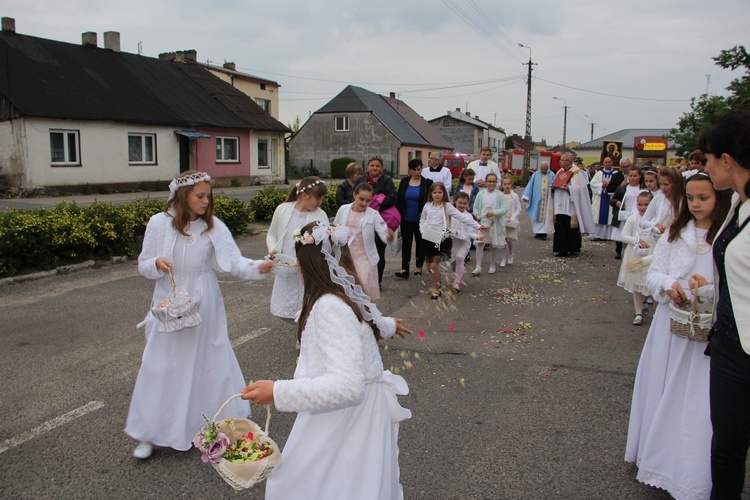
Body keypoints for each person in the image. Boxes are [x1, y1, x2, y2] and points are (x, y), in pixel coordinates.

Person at [240, 221, 412, 500]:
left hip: (345, 415)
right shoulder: (343, 295)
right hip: (356, 411)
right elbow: (369, 320)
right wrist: (389, 325)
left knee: (316, 481)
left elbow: (347, 387)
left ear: (301, 263)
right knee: (345, 482)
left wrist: (277, 391)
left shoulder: (330, 306)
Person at [125, 171, 274, 459]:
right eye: (200, 196)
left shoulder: (213, 226)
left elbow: (233, 262)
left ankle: (215, 427)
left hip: (205, 304)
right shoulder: (159, 223)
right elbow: (143, 264)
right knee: (162, 364)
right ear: (183, 197)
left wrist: (258, 267)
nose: (206, 201)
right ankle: (150, 433)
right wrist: (156, 262)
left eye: (209, 196)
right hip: (170, 299)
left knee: (208, 362)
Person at [625, 173, 730, 499]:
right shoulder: (675, 232)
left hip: (706, 324)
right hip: (673, 323)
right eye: (692, 198)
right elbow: (655, 270)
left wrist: (707, 288)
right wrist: (667, 287)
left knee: (697, 396)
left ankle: (691, 465)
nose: (697, 204)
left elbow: (731, 280)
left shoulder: (725, 235)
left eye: (705, 198)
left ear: (719, 199)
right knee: (663, 383)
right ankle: (657, 452)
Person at [699, 109, 750, 498]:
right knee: (726, 447)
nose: (706, 167)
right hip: (729, 344)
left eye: (709, 159)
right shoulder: (736, 204)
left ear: (727, 161)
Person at [267, 177, 328, 325]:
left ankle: (304, 336)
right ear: (304, 195)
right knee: (285, 308)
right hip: (287, 267)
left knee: (309, 306)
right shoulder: (283, 209)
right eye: (317, 198)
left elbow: (325, 243)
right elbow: (272, 234)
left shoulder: (320, 215)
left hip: (308, 269)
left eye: (322, 198)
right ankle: (301, 331)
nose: (320, 202)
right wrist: (273, 249)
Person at [420, 182, 480, 299]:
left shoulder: (447, 206)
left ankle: (436, 289)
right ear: (431, 194)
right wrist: (422, 230)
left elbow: (462, 217)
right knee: (428, 267)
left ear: (444, 194)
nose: (437, 195)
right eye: (434, 192)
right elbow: (422, 219)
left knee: (434, 265)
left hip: (442, 239)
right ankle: (438, 282)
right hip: (428, 238)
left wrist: (478, 226)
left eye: (440, 192)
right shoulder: (427, 206)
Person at [334, 183, 391, 301]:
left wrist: (389, 236)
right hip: (345, 256)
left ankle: (365, 314)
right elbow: (334, 229)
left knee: (362, 286)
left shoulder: (374, 214)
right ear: (354, 195)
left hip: (365, 257)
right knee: (345, 288)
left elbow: (383, 231)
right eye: (361, 199)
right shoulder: (343, 209)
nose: (364, 203)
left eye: (368, 200)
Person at [355, 155, 397, 287]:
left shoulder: (387, 180)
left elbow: (392, 197)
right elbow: (354, 194)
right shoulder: (361, 179)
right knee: (363, 251)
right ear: (368, 166)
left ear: (381, 168)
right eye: (372, 165)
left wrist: (376, 207)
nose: (375, 168)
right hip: (362, 219)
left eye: (377, 166)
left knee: (379, 251)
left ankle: (377, 281)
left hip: (380, 218)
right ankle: (363, 279)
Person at [616, 190, 654, 325]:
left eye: (646, 205)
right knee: (637, 283)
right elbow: (624, 236)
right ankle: (638, 312)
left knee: (649, 283)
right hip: (635, 254)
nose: (643, 208)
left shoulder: (656, 220)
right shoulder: (633, 218)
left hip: (651, 255)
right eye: (640, 204)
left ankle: (649, 306)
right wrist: (636, 241)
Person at [395, 159, 433, 279]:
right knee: (406, 243)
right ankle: (404, 268)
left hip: (421, 219)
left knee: (420, 243)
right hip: (406, 217)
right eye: (414, 169)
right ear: (409, 170)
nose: (417, 172)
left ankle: (418, 266)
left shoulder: (427, 182)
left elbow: (432, 199)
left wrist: (426, 211)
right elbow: (399, 197)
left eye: (418, 169)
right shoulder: (404, 181)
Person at [551, 153, 595, 257]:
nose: (560, 162)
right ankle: (561, 249)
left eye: (562, 160)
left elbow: (582, 189)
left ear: (568, 162)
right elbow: (555, 183)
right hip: (559, 204)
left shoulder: (578, 173)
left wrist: (569, 189)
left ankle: (573, 248)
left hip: (571, 205)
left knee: (571, 227)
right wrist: (553, 187)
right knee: (560, 225)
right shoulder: (560, 171)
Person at [471, 173, 508, 275]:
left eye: (494, 181)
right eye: (489, 181)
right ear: (486, 182)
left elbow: (504, 208)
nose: (491, 183)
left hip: (495, 224)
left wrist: (494, 213)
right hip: (483, 223)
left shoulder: (499, 195)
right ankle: (478, 266)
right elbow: (476, 208)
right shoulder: (481, 194)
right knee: (480, 244)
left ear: (496, 182)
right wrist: (478, 215)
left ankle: (492, 265)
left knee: (493, 245)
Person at [639, 166, 684, 242]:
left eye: (666, 184)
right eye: (660, 184)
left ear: (676, 184)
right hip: (659, 241)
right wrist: (654, 226)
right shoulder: (658, 199)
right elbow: (643, 222)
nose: (662, 187)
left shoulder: (684, 200)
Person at [610, 166, 644, 259]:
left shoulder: (642, 189)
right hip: (624, 215)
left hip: (637, 215)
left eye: (635, 176)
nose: (632, 178)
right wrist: (617, 202)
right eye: (631, 175)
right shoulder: (622, 188)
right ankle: (622, 255)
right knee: (624, 237)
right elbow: (613, 199)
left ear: (640, 176)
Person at [449, 191, 479, 293]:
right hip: (453, 242)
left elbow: (471, 231)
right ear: (455, 202)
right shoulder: (451, 214)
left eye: (464, 203)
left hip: (464, 242)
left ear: (468, 204)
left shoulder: (469, 217)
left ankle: (457, 282)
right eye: (460, 203)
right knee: (452, 261)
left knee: (460, 258)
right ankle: (455, 274)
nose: (462, 205)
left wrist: (477, 237)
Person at [522, 161, 555, 240]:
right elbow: (530, 185)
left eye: (545, 169)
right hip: (536, 200)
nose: (544, 171)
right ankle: (537, 232)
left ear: (548, 168)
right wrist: (526, 196)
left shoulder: (552, 175)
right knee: (536, 215)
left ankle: (543, 233)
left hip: (547, 201)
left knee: (545, 217)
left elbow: (555, 185)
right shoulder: (535, 175)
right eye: (542, 169)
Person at [589, 156, 616, 240]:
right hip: (600, 197)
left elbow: (618, 185)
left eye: (609, 162)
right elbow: (592, 184)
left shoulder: (615, 173)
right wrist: (601, 185)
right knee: (598, 216)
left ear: (612, 163)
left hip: (610, 196)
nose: (607, 164)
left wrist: (610, 186)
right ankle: (598, 235)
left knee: (609, 217)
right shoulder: (599, 173)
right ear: (603, 163)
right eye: (606, 162)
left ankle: (608, 236)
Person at [500, 175, 521, 267]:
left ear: (511, 185)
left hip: (511, 220)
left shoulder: (514, 196)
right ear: (502, 185)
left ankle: (511, 253)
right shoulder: (500, 196)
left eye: (508, 184)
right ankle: (503, 258)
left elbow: (518, 209)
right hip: (502, 219)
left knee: (509, 240)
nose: (507, 186)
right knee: (503, 240)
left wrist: (513, 217)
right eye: (505, 184)